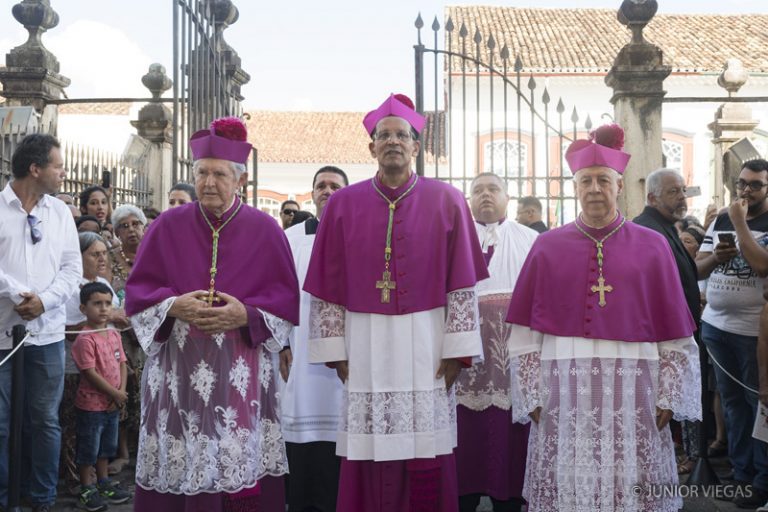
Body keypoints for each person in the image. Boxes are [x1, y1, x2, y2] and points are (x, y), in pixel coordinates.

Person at [303, 93, 488, 512]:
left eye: (401, 135)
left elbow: (462, 285)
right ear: (371, 148)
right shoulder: (342, 206)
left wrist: (457, 353)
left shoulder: (447, 200)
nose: (392, 142)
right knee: (367, 445)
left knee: (425, 442)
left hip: (428, 338)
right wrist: (336, 353)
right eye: (383, 136)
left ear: (416, 146)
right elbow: (328, 286)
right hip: (363, 339)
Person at [506, 124, 700, 512]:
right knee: (570, 476)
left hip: (636, 383)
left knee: (630, 478)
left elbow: (675, 329)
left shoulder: (653, 245)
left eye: (603, 180)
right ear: (575, 188)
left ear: (619, 186)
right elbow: (525, 330)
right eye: (586, 181)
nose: (594, 188)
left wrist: (668, 395)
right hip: (563, 384)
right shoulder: (547, 245)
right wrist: (530, 395)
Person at [125, 116, 299, 511]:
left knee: (236, 461)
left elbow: (286, 304)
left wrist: (246, 315)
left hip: (240, 372)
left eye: (219, 174)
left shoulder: (266, 230)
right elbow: (137, 295)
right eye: (201, 172)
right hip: (179, 373)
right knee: (181, 459)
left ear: (239, 180)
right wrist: (173, 305)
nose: (207, 182)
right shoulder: (166, 226)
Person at [0, 133, 82, 512]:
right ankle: (5, 497)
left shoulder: (60, 213)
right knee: (1, 424)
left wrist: (44, 301)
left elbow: (71, 268)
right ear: (35, 169)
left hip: (46, 335)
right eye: (58, 165)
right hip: (3, 333)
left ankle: (43, 498)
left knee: (44, 422)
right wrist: (20, 296)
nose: (64, 173)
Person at [455, 172, 537, 512]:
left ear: (508, 197)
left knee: (511, 454)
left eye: (493, 189)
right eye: (477, 190)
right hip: (464, 368)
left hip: (513, 370)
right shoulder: (452, 241)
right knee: (465, 454)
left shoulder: (533, 241)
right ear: (468, 200)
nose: (485, 195)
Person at [696, 158, 768, 508]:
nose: (746, 190)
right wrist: (717, 257)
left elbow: (762, 265)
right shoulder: (722, 217)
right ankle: (741, 474)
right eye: (742, 183)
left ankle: (762, 477)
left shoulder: (740, 218)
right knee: (732, 404)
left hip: (753, 331)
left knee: (759, 405)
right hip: (716, 326)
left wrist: (740, 223)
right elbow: (698, 265)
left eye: (755, 185)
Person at [280, 165, 348, 512]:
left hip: (347, 363)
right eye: (321, 185)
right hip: (303, 358)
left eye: (335, 185)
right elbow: (277, 295)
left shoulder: (360, 234)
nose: (327, 190)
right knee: (304, 443)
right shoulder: (291, 238)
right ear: (312, 194)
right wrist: (282, 343)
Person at [632, 168, 703, 476]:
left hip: (679, 333)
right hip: (661, 340)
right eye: (673, 191)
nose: (682, 197)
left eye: (683, 190)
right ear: (652, 197)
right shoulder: (646, 230)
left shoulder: (666, 227)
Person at [61, 233, 127, 495]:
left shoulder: (102, 283)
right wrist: (105, 319)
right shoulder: (70, 284)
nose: (102, 258)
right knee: (82, 434)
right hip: (81, 371)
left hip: (111, 366)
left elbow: (117, 318)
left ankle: (102, 482)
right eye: (94, 254)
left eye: (104, 253)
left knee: (105, 439)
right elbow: (65, 327)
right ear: (79, 256)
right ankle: (80, 483)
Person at [71, 282, 132, 511]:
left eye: (107, 303)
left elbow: (122, 363)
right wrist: (114, 393)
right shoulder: (85, 339)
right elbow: (90, 373)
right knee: (89, 446)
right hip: (92, 406)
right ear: (83, 308)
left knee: (107, 445)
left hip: (112, 403)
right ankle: (87, 486)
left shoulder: (114, 333)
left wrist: (120, 393)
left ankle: (104, 481)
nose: (104, 309)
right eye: (97, 304)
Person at [107, 205, 147, 475]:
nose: (131, 230)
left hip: (150, 333)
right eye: (124, 225)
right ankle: (122, 452)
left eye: (136, 224)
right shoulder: (109, 258)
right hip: (120, 334)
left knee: (148, 392)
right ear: (116, 231)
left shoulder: (154, 253)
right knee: (122, 389)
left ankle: (144, 447)